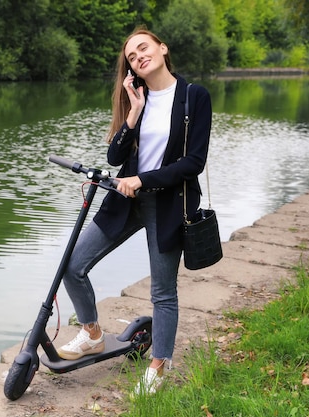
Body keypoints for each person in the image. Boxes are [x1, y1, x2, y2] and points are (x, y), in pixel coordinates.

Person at [56, 27, 212, 395]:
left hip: (169, 205)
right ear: (131, 69)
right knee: (72, 265)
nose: (139, 56)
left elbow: (194, 162)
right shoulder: (137, 98)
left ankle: (158, 366)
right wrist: (134, 112)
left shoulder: (193, 96)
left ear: (162, 48)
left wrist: (143, 179)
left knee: (163, 293)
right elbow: (114, 158)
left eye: (144, 48)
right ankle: (92, 332)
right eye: (131, 57)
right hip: (125, 203)